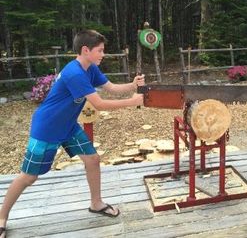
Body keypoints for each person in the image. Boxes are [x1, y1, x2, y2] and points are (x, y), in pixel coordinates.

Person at [0, 30, 145, 237]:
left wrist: (133, 85)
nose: (103, 54)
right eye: (100, 51)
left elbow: (111, 88)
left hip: (68, 126)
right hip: (47, 128)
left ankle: (96, 203)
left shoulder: (90, 68)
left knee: (92, 159)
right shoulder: (74, 73)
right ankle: (1, 217)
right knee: (28, 177)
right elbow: (100, 104)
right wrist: (132, 102)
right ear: (86, 50)